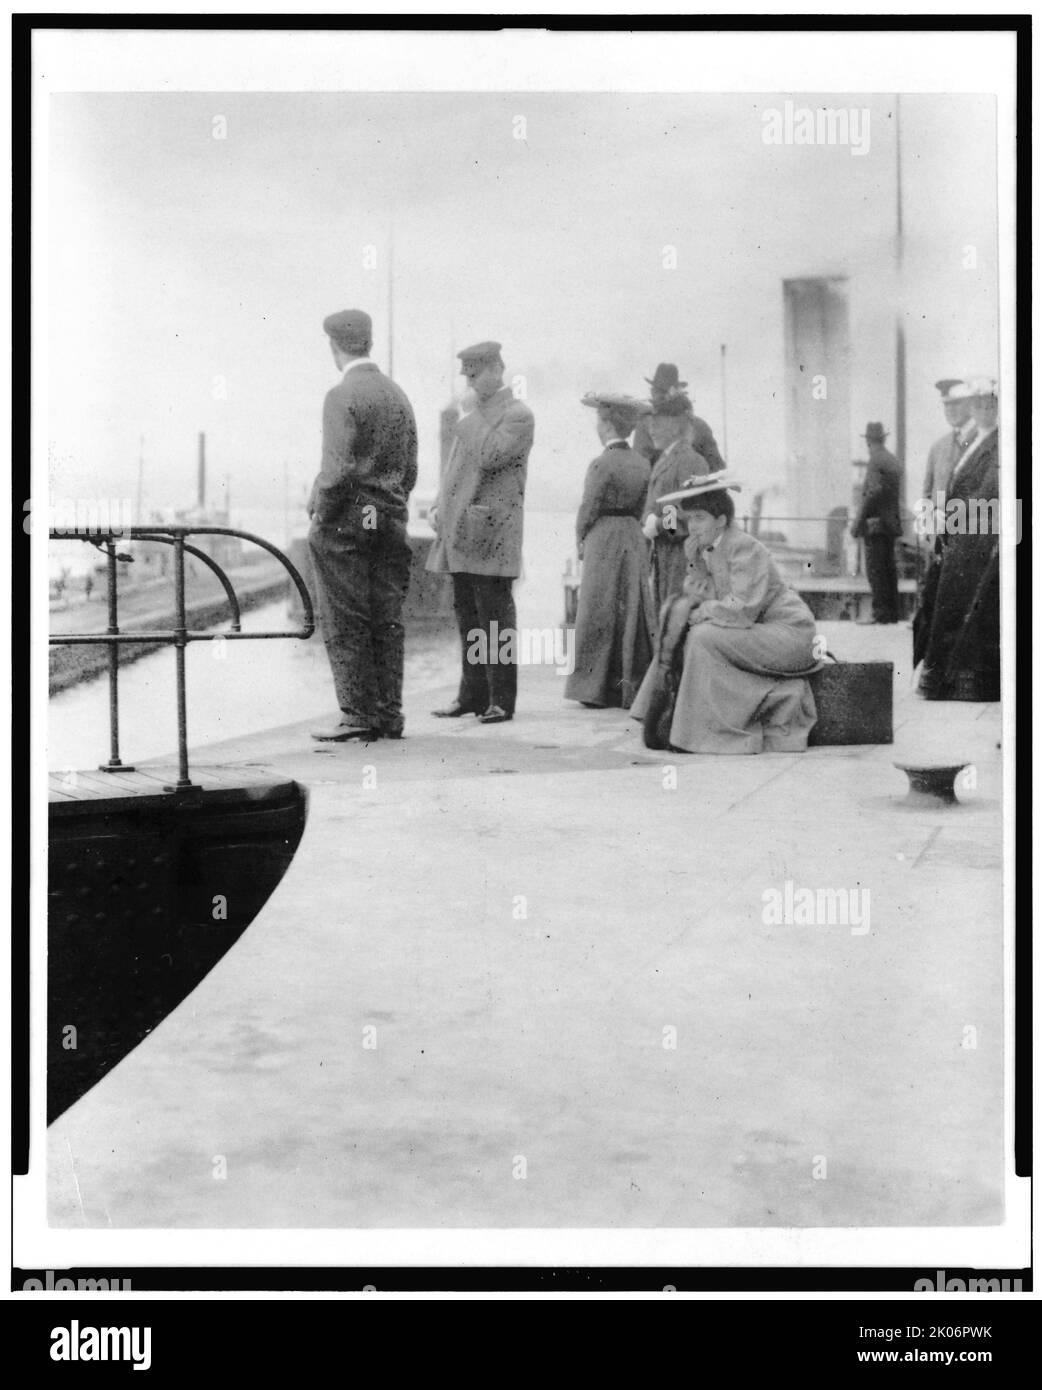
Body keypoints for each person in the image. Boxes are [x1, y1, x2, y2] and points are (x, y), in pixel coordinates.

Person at [631, 477, 820, 754]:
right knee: (683, 631)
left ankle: (702, 733)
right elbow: (709, 595)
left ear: (720, 520)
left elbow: (741, 607)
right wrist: (696, 568)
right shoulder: (707, 547)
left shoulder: (744, 546)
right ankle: (659, 714)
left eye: (699, 518)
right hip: (759, 630)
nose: (692, 526)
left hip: (790, 635)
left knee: (702, 636)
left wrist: (700, 612)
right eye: (689, 518)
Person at [307, 308, 418, 741]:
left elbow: (337, 469)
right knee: (387, 618)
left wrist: (320, 509)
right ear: (369, 342)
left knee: (346, 618)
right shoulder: (398, 396)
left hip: (348, 522)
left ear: (334, 346)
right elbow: (410, 470)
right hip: (388, 519)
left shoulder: (341, 396)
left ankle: (356, 715)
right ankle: (389, 714)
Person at [427, 341, 535, 724]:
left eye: (475, 375)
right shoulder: (473, 416)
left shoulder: (517, 415)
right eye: (468, 376)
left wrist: (469, 414)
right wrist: (440, 504)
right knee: (468, 617)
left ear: (497, 369)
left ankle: (501, 700)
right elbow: (456, 468)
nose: (471, 383)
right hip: (461, 530)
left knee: (496, 620)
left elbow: (490, 455)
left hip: (492, 533)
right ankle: (471, 695)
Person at [564, 392, 654, 709]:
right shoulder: (643, 463)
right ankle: (625, 685)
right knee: (629, 608)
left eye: (599, 420)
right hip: (633, 535)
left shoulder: (601, 464)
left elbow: (588, 507)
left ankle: (593, 688)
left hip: (603, 536)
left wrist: (580, 538)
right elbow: (647, 506)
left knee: (598, 608)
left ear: (605, 425)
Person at [914, 378, 1000, 701]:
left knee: (962, 617)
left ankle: (954, 683)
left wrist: (950, 516)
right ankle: (938, 678)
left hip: (974, 542)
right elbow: (932, 489)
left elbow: (989, 491)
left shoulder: (994, 443)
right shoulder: (961, 443)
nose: (982, 409)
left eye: (988, 403)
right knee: (940, 611)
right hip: (951, 539)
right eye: (977, 403)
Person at [640, 393, 710, 610]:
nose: (651, 429)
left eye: (658, 422)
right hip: (663, 555)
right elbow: (657, 504)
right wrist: (649, 519)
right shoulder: (664, 459)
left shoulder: (691, 461)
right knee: (664, 615)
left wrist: (658, 524)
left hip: (683, 557)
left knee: (678, 617)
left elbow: (688, 513)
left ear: (676, 425)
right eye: (650, 422)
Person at [850, 421, 903, 624]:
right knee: (888, 569)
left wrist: (857, 523)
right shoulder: (891, 459)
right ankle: (891, 613)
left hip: (875, 525)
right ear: (884, 438)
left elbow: (873, 492)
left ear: (868, 441)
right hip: (889, 524)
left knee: (876, 571)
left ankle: (880, 613)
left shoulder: (875, 460)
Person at [632, 363, 725, 470]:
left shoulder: (646, 425)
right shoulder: (701, 425)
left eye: (655, 392)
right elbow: (717, 468)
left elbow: (639, 469)